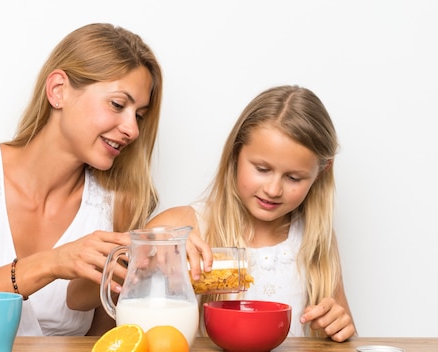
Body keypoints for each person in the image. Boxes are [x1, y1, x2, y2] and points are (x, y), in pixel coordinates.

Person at [0, 23, 210, 337]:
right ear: (58, 90)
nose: (133, 130)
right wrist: (52, 263)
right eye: (118, 104)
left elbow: (107, 339)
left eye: (138, 115)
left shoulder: (119, 205)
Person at [145, 85, 357, 342]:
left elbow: (344, 334)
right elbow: (122, 307)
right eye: (262, 169)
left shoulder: (314, 240)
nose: (273, 189)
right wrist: (159, 254)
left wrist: (336, 328)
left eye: (293, 177)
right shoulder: (184, 225)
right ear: (235, 153)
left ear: (320, 173)